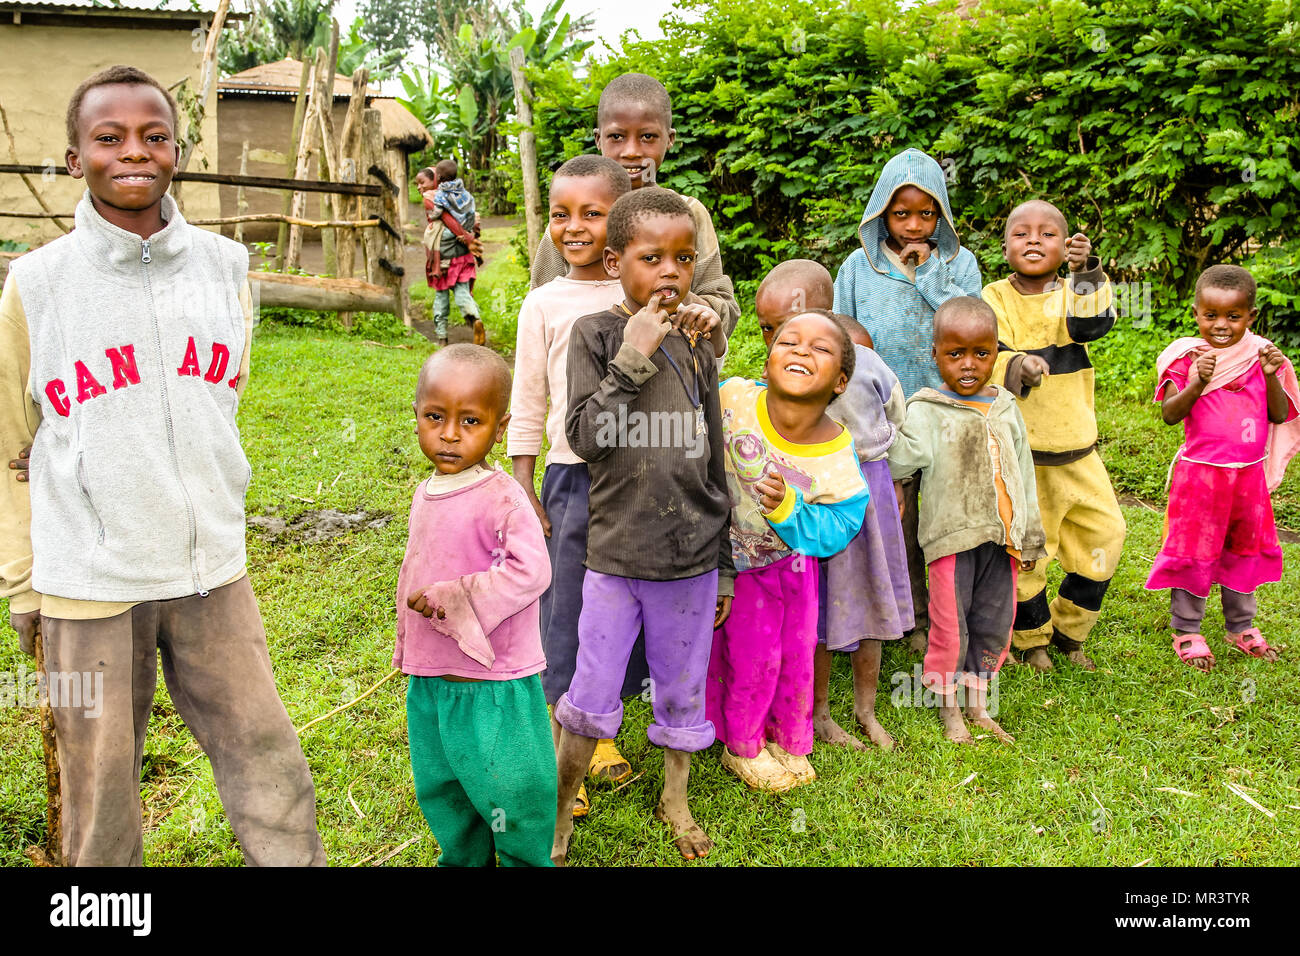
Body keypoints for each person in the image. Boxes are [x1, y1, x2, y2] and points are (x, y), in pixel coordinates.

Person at [0, 65, 324, 866]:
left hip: (213, 569)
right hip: (88, 586)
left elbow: (222, 401)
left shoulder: (225, 267)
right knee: (101, 793)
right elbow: (11, 443)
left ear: (177, 149)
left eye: (154, 136)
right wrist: (22, 581)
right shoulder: (36, 285)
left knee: (269, 761)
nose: (132, 153)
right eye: (107, 138)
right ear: (75, 158)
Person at [553, 187, 730, 863]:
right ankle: (563, 808)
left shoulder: (697, 343)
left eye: (683, 258)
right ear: (613, 261)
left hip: (689, 556)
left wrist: (727, 565)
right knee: (589, 698)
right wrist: (633, 354)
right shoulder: (595, 334)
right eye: (651, 257)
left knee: (682, 694)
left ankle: (675, 801)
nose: (670, 273)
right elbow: (586, 437)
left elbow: (713, 453)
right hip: (615, 557)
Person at [396, 344, 557, 866]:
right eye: (435, 417)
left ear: (500, 425)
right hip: (435, 680)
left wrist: (455, 599)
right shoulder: (427, 490)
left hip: (494, 683)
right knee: (444, 787)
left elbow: (532, 571)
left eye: (470, 420)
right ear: (416, 414)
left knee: (514, 791)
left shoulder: (502, 497)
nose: (448, 434)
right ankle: (463, 859)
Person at [507, 155, 633, 817]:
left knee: (617, 611)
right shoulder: (544, 303)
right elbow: (528, 397)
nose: (575, 226)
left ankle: (599, 729)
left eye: (593, 213)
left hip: (638, 479)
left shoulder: (638, 295)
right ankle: (562, 750)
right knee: (566, 613)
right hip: (570, 477)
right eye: (561, 214)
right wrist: (523, 483)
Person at [706, 310, 869, 791]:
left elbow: (845, 521)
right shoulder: (733, 397)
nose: (801, 350)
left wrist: (791, 510)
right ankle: (743, 745)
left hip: (792, 570)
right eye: (789, 341)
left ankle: (789, 738)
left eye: (820, 348)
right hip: (724, 564)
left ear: (840, 382)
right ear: (768, 360)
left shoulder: (837, 450)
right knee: (750, 659)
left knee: (794, 657)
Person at [833, 147, 983, 652]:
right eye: (901, 214)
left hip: (944, 407)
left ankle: (939, 616)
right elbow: (840, 333)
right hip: (877, 416)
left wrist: (930, 276)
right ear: (881, 212)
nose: (914, 225)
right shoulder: (858, 266)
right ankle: (900, 614)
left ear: (941, 212)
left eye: (926, 213)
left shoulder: (959, 264)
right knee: (894, 514)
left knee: (941, 515)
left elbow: (971, 319)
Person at [888, 298, 1045, 744]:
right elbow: (901, 463)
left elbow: (1023, 470)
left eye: (982, 353)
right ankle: (950, 708)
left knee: (994, 621)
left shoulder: (1006, 406)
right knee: (950, 625)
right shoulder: (926, 409)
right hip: (950, 540)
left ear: (998, 351)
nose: (969, 365)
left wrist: (1029, 534)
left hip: (1002, 539)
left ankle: (978, 703)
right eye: (955, 354)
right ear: (934, 353)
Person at [985, 200, 1126, 671]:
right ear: (1004, 246)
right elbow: (989, 352)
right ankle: (1032, 641)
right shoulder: (995, 297)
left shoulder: (1075, 291)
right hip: (1024, 456)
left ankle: (1071, 629)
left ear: (1065, 247)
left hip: (1079, 453)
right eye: (1021, 233)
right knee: (1028, 550)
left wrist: (1086, 271)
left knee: (1106, 534)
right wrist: (1017, 364)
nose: (1033, 241)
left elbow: (1092, 325)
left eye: (1047, 234)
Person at [1147, 265, 1300, 671]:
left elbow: (1279, 413)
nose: (1221, 325)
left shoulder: (1261, 357)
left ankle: (1241, 626)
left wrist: (1270, 377)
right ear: (1195, 313)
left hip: (1248, 477)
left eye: (1234, 317)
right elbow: (1169, 414)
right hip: (1200, 477)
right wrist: (1197, 381)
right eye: (1210, 315)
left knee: (1242, 549)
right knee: (1193, 552)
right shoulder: (1186, 358)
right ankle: (1187, 629)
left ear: (1251, 316)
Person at [529, 72, 740, 341]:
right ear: (598, 139)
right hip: (583, 370)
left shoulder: (688, 213)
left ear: (670, 139)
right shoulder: (572, 222)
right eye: (616, 136)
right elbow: (541, 301)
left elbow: (724, 307)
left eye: (648, 136)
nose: (631, 150)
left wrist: (678, 294)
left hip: (670, 365)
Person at [815, 313, 912, 750]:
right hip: (829, 484)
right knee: (821, 609)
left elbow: (896, 411)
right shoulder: (817, 362)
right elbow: (898, 411)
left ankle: (860, 711)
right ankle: (825, 714)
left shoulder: (861, 361)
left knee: (868, 600)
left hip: (863, 488)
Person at [422, 159, 483, 347]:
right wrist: (467, 234)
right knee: (463, 293)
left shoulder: (433, 196)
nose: (420, 187)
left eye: (421, 182)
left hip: (444, 257)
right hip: (462, 253)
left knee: (441, 298)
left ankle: (442, 338)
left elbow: (443, 217)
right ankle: (475, 319)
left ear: (436, 178)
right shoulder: (463, 191)